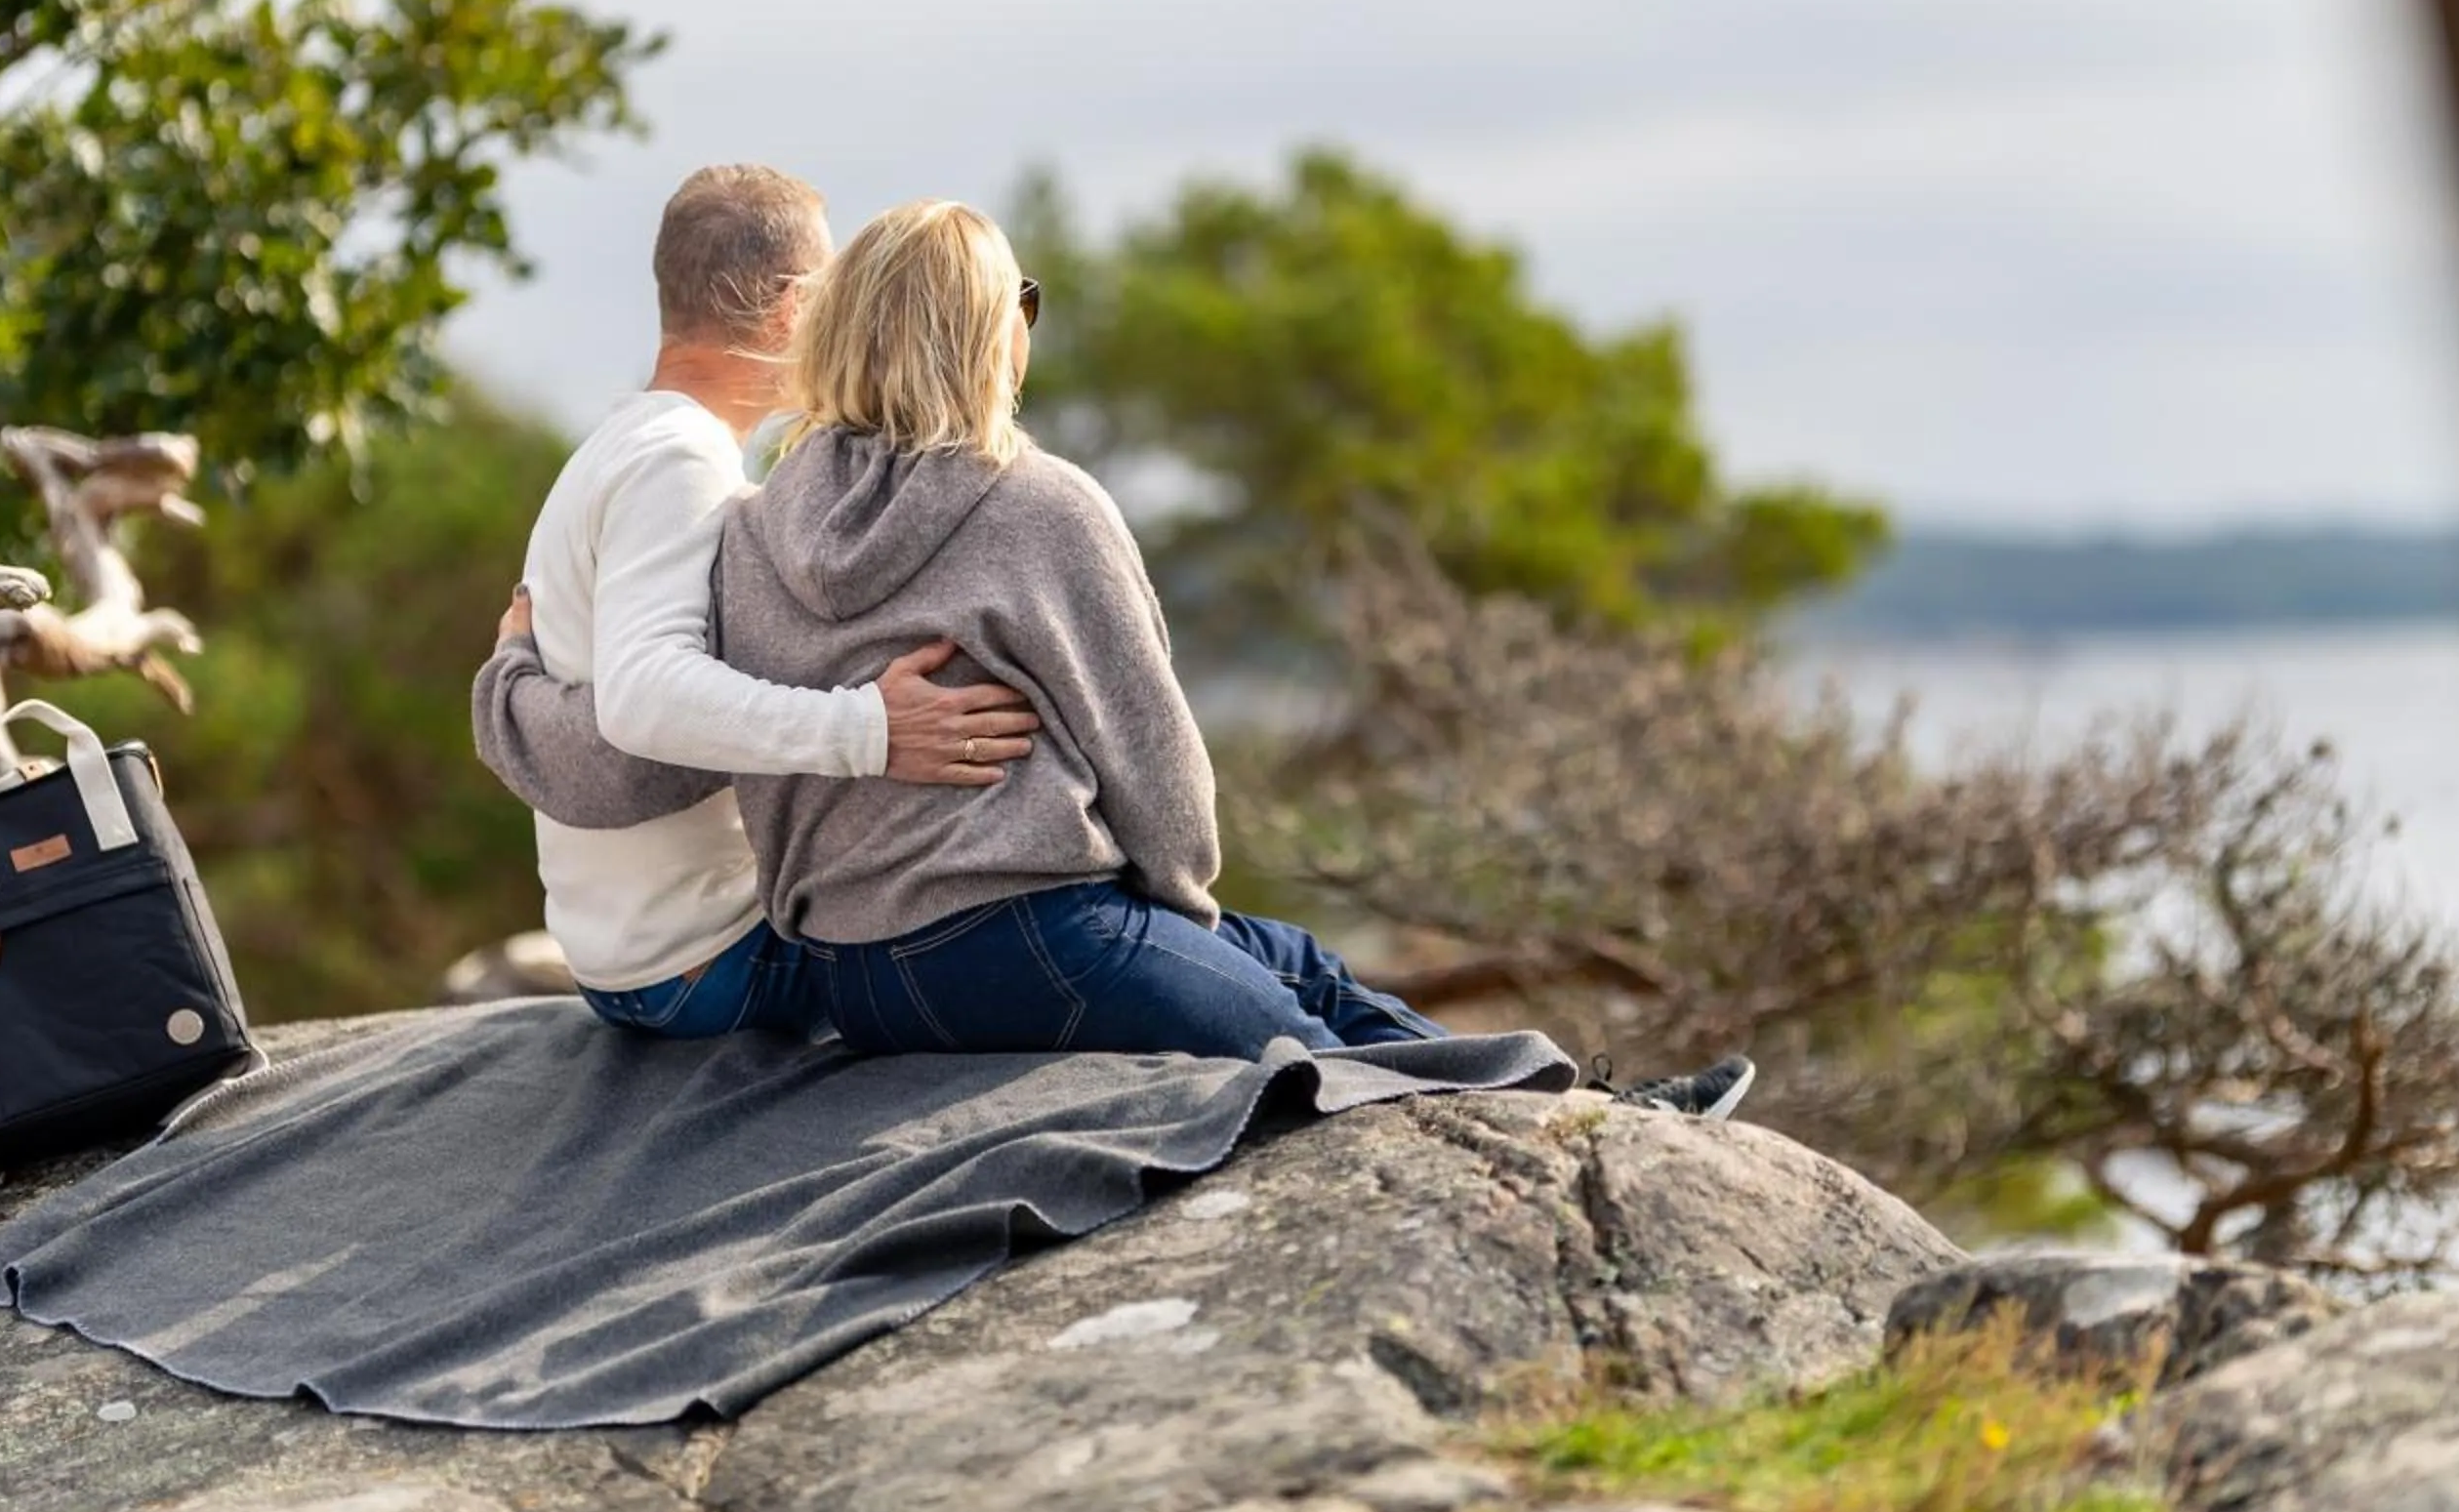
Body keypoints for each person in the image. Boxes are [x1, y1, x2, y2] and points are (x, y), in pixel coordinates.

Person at [479, 198, 1754, 1111]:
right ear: (994, 335)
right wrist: (1175, 917)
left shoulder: (752, 529)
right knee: (1319, 1062)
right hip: (1027, 933)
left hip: (854, 977)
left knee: (1297, 961)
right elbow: (1157, 767)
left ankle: (1587, 1092)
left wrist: (515, 692)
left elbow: (674, 740)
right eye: (1021, 303)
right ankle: (1593, 1123)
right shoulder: (1036, 505)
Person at [490, 164, 1043, 1042]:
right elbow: (643, 697)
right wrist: (876, 731)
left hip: (638, 957)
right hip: (710, 961)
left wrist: (509, 684)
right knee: (1019, 941)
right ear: (794, 307)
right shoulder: (681, 461)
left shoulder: (622, 445)